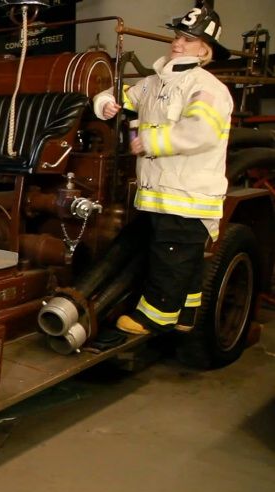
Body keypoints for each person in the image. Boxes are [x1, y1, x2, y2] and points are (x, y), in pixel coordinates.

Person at [92, 1, 232, 335]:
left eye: (188, 39)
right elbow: (120, 95)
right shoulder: (155, 82)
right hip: (164, 193)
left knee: (171, 255)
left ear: (205, 50)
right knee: (186, 257)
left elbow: (200, 131)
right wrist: (105, 103)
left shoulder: (207, 88)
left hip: (188, 195)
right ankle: (186, 313)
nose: (178, 43)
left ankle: (157, 315)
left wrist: (149, 141)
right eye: (178, 36)